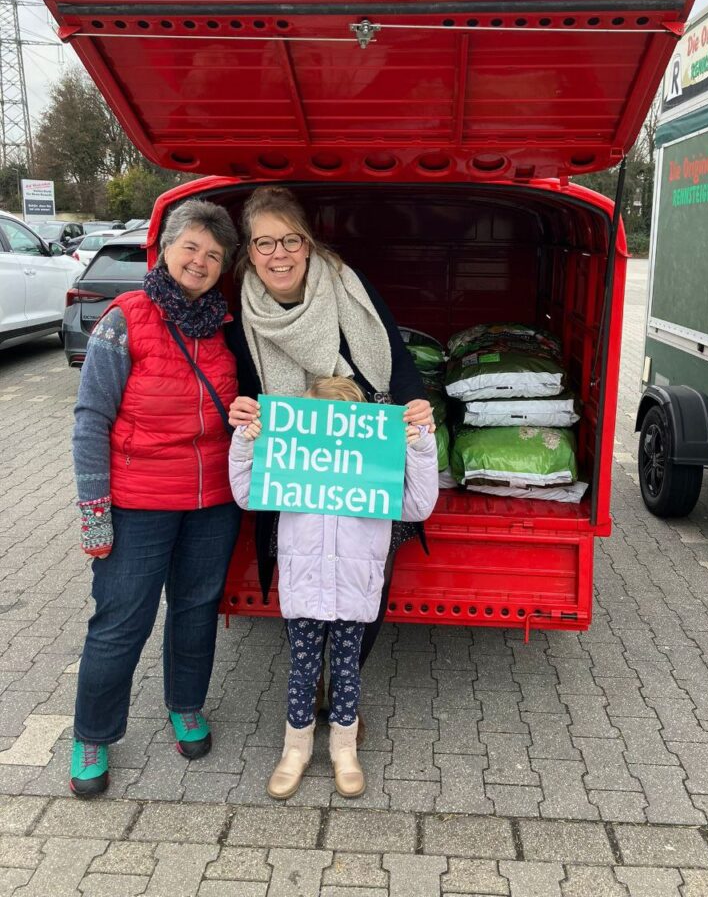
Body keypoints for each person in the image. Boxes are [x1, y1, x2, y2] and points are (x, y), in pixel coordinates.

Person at [226, 186, 434, 739]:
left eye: (290, 240)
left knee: (366, 581)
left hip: (368, 454)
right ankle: (310, 682)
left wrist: (415, 411)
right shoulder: (243, 311)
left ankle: (344, 692)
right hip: (295, 462)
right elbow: (243, 385)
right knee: (303, 578)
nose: (279, 254)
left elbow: (393, 355)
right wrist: (241, 413)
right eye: (264, 243)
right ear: (250, 252)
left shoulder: (347, 284)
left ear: (308, 243)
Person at [69, 199, 242, 797]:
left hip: (213, 502)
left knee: (196, 611)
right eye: (190, 246)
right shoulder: (125, 319)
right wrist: (94, 511)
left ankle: (186, 705)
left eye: (213, 254)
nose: (200, 261)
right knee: (121, 621)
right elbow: (91, 419)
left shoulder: (225, 326)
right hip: (138, 503)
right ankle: (92, 734)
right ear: (165, 249)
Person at [228, 375, 438, 798]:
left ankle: (345, 749)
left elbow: (418, 505)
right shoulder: (292, 465)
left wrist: (419, 446)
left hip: (354, 588)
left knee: (347, 670)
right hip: (305, 585)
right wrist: (246, 443)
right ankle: (295, 749)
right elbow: (247, 495)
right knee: (302, 672)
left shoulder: (375, 468)